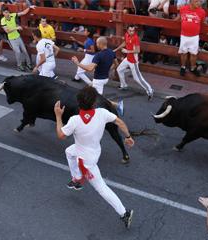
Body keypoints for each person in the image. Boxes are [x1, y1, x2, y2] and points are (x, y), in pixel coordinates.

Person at [54, 86, 134, 228]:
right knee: (69, 151)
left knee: (101, 188)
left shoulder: (74, 120)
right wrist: (128, 137)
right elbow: (120, 122)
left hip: (85, 161)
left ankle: (124, 213)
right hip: (94, 150)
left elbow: (60, 135)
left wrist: (58, 116)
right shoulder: (102, 113)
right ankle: (77, 179)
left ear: (78, 102)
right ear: (94, 102)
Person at [71, 36, 124, 115]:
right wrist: (108, 69)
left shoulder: (98, 55)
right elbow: (116, 64)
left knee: (98, 98)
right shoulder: (112, 52)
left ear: (100, 44)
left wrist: (77, 63)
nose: (96, 45)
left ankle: (117, 106)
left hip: (99, 80)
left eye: (97, 43)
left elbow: (90, 68)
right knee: (89, 91)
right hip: (105, 78)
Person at [114, 25, 154, 101]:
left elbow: (138, 50)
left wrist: (127, 51)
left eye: (133, 30)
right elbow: (125, 43)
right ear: (127, 30)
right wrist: (116, 49)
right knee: (119, 70)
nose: (132, 32)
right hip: (128, 58)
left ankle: (150, 90)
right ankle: (124, 85)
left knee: (137, 78)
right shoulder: (126, 35)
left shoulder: (135, 38)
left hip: (133, 61)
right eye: (130, 30)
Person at [1, 5, 35, 71]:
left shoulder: (13, 15)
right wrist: (17, 28)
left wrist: (29, 7)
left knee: (25, 51)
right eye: (5, 12)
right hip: (11, 39)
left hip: (18, 36)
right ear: (3, 13)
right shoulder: (3, 20)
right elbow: (7, 31)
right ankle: (19, 65)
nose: (7, 14)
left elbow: (23, 13)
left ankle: (29, 65)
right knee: (18, 52)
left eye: (7, 12)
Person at [177, 0, 206, 77]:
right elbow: (179, 19)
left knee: (194, 53)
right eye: (196, 1)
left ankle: (193, 68)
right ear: (191, 1)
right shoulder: (183, 9)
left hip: (195, 36)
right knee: (183, 52)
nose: (199, 3)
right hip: (184, 35)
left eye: (200, 2)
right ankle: (183, 67)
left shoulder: (202, 11)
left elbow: (202, 22)